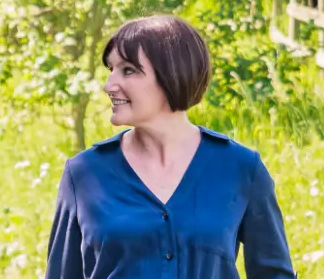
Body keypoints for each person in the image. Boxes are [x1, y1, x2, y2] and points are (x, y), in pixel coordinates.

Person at [45, 15, 294, 278]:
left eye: (128, 70)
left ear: (171, 74)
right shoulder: (83, 174)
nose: (109, 85)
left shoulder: (241, 168)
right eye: (111, 70)